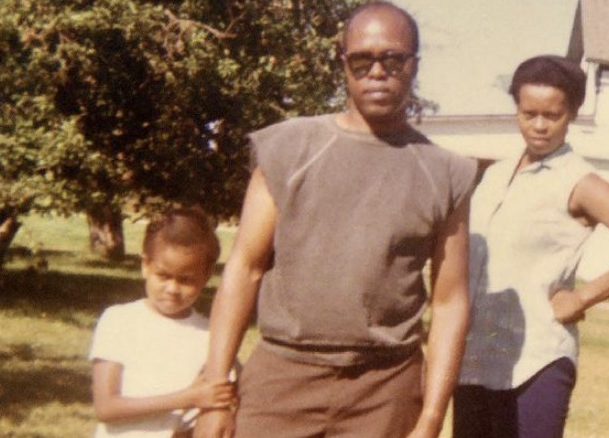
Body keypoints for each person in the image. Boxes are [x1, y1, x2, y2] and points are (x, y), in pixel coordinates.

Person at [193, 2, 477, 438]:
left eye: (393, 59)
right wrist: (215, 388)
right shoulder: (289, 147)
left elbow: (450, 301)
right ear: (343, 63)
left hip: (386, 387)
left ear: (414, 64)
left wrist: (432, 418)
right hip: (282, 377)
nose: (376, 72)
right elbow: (244, 269)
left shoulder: (447, 172)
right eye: (362, 60)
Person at [453, 55, 609, 438]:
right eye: (529, 113)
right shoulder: (494, 175)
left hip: (536, 361)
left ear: (572, 113)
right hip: (475, 357)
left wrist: (584, 297)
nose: (539, 126)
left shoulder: (578, 181)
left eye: (552, 115)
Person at [89, 208, 237, 438]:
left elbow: (226, 398)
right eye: (163, 275)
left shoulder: (211, 335)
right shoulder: (119, 321)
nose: (172, 289)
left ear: (206, 277)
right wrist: (189, 397)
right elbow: (106, 408)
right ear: (145, 265)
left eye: (186, 280)